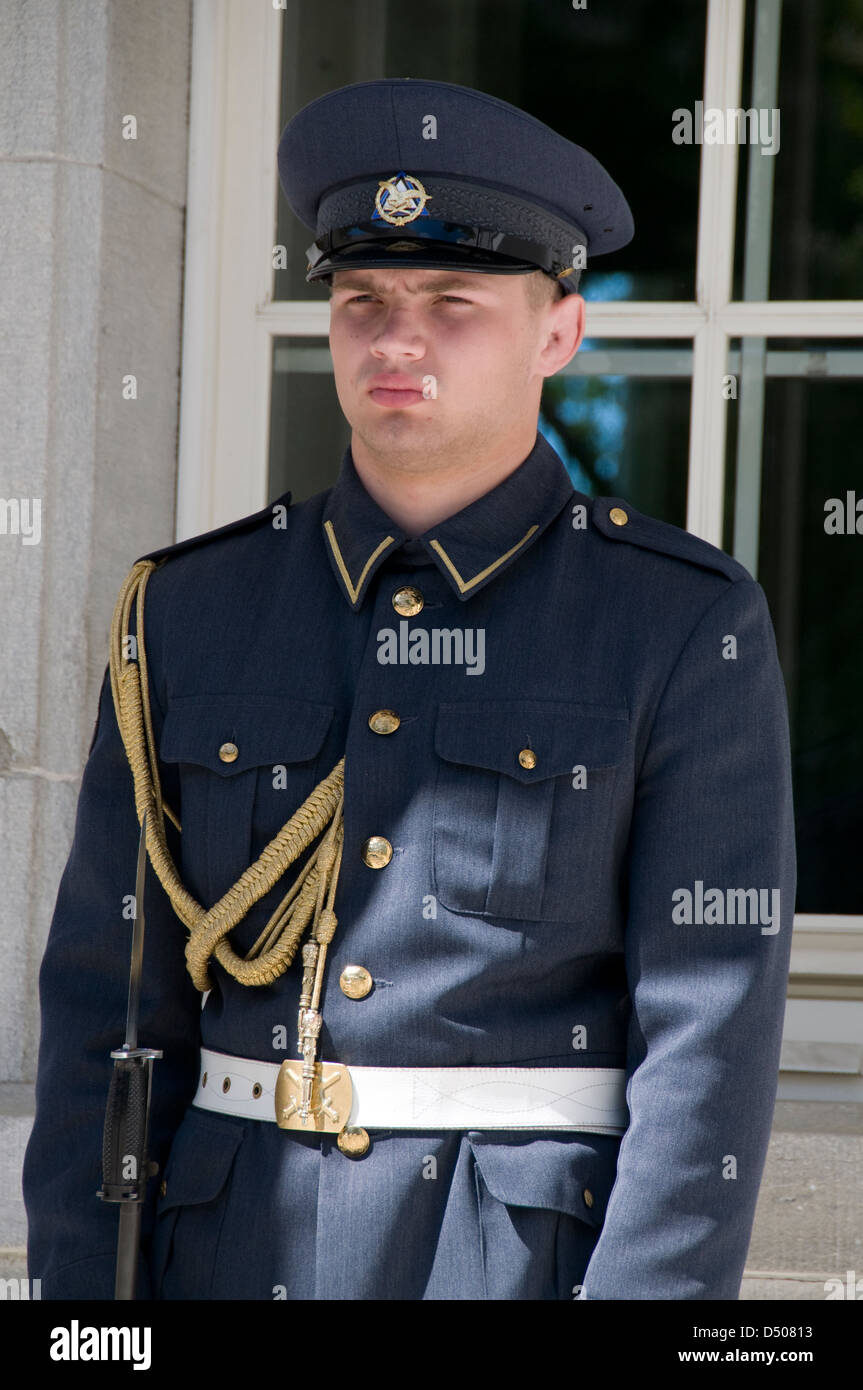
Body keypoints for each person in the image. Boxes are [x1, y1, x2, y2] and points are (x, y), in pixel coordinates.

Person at [23, 76, 796, 1301]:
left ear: (557, 333)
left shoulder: (678, 621)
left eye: (453, 303)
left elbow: (707, 1041)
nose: (395, 339)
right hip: (217, 1255)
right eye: (362, 299)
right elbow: (103, 1012)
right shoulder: (188, 608)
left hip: (507, 1262)